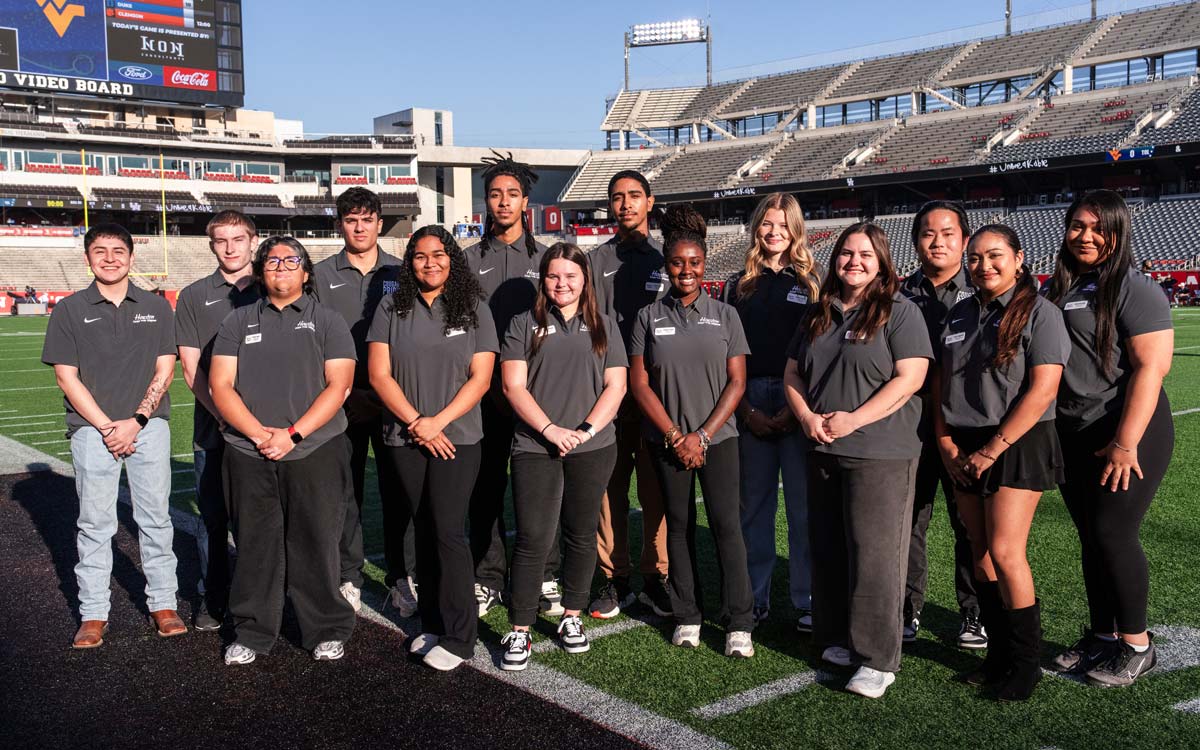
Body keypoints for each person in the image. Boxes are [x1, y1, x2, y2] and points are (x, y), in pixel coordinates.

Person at [783, 222, 931, 698]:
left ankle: (877, 659)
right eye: (847, 253)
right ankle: (839, 637)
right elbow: (792, 373)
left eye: (866, 254)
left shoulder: (900, 312)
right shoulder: (818, 311)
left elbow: (910, 378)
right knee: (829, 549)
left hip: (880, 451)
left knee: (875, 556)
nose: (855, 262)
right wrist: (806, 416)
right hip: (823, 447)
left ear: (882, 262)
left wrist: (855, 420)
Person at [933, 225, 1069, 701]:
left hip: (1017, 441)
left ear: (1018, 258)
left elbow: (1043, 390)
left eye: (994, 256)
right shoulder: (958, 312)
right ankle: (997, 657)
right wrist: (946, 443)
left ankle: (1026, 665)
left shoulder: (1041, 312)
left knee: (1007, 552)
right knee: (980, 552)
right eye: (974, 258)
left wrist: (992, 448)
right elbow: (940, 384)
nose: (983, 265)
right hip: (964, 445)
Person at [1045, 190, 1174, 687]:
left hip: (1126, 429)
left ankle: (1137, 645)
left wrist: (1125, 442)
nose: (1086, 236)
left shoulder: (1135, 288)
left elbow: (1151, 368)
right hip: (1074, 432)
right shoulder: (1059, 287)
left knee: (1112, 533)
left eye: (1099, 228)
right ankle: (1102, 635)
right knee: (1090, 535)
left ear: (1118, 232)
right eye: (1078, 225)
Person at [209, 236, 357, 665]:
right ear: (260, 272)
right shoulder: (237, 322)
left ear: (306, 273)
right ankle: (252, 632)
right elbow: (220, 385)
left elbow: (340, 386)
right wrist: (259, 435)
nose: (281, 267)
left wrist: (292, 435)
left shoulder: (328, 320)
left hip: (314, 448)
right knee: (255, 543)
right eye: (272, 261)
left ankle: (326, 628)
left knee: (316, 540)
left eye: (291, 261)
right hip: (248, 450)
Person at [42, 223, 183, 649]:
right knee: (95, 523)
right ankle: (94, 612)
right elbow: (67, 378)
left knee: (155, 518)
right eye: (100, 251)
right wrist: (107, 426)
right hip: (92, 431)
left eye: (118, 250)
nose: (110, 258)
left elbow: (165, 369)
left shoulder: (157, 307)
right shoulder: (69, 309)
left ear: (131, 257)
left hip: (148, 426)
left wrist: (136, 420)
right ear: (88, 258)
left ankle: (163, 602)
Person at [367, 225, 496, 671]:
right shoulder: (390, 306)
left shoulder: (474, 306)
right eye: (420, 256)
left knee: (447, 530)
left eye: (438, 254)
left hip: (457, 439)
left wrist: (436, 422)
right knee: (422, 528)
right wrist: (416, 423)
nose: (430, 263)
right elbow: (379, 374)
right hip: (405, 438)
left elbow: (481, 378)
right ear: (410, 263)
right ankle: (435, 623)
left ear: (452, 259)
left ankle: (461, 638)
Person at [629, 204, 754, 657]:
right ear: (667, 265)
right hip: (667, 442)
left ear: (705, 265)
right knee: (679, 526)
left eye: (695, 262)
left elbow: (737, 382)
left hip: (718, 440)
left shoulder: (726, 315)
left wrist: (701, 436)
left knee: (726, 526)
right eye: (678, 263)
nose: (686, 270)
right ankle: (687, 615)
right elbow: (639, 383)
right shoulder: (647, 317)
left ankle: (739, 622)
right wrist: (674, 435)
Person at [498, 243, 627, 670]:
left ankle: (572, 616)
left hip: (592, 447)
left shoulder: (604, 325)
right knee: (533, 537)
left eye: (571, 276)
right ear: (543, 279)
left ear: (585, 279)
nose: (562, 284)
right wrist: (550, 430)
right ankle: (520, 629)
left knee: (581, 533)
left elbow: (616, 386)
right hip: (536, 446)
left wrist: (585, 431)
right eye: (553, 275)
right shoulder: (523, 324)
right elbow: (513, 386)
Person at [313, 187, 414, 616]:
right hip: (341, 402)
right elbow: (313, 339)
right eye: (351, 220)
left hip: (392, 399)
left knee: (399, 491)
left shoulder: (401, 271)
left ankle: (402, 577)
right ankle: (348, 576)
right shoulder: (319, 274)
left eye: (367, 220)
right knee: (344, 493)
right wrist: (346, 392)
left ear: (379, 223)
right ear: (340, 224)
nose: (359, 228)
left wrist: (382, 394)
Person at [721, 192, 820, 631]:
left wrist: (798, 410)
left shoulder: (814, 282)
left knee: (803, 510)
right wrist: (746, 411)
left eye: (783, 225)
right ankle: (753, 599)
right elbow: (726, 356)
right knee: (754, 509)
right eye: (767, 223)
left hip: (800, 401)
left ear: (795, 229)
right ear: (756, 227)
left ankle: (808, 600)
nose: (774, 232)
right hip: (750, 400)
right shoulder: (736, 284)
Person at [462, 152, 552, 617]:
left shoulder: (546, 258)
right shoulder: (466, 260)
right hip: (484, 394)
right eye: (495, 194)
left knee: (541, 490)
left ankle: (546, 574)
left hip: (538, 393)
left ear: (525, 202)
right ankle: (488, 575)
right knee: (486, 489)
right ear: (486, 202)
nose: (503, 202)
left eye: (511, 194)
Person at [587, 169, 671, 619]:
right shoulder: (595, 260)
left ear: (649, 201)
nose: (625, 204)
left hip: (658, 394)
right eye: (617, 197)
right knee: (610, 489)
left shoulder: (667, 257)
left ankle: (657, 575)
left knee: (656, 490)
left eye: (634, 195)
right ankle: (613, 576)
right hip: (611, 392)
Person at [898, 200, 982, 648]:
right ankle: (907, 609)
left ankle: (974, 613)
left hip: (964, 429)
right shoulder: (897, 294)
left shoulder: (984, 288)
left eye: (948, 233)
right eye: (928, 233)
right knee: (910, 521)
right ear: (916, 242)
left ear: (964, 240)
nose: (938, 242)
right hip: (910, 425)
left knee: (969, 523)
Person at [174, 210, 261, 631]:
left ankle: (259, 597)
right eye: (221, 241)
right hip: (214, 428)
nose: (230, 248)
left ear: (253, 241)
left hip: (266, 428)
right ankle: (214, 597)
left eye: (238, 239)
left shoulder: (273, 284)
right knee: (213, 517)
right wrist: (226, 416)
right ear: (211, 246)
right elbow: (191, 369)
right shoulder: (194, 295)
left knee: (260, 519)